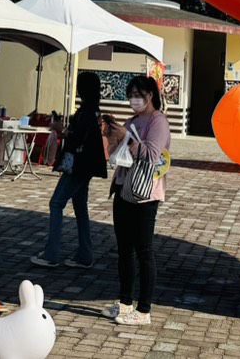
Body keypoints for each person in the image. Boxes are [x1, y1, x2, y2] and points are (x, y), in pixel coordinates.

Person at [103, 75, 171, 327]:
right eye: (130, 94)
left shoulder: (158, 121)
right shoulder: (131, 121)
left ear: (150, 95)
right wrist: (113, 136)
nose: (134, 99)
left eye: (138, 94)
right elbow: (118, 154)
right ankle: (125, 303)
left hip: (144, 194)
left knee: (144, 250)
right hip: (122, 189)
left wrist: (128, 139)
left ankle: (144, 310)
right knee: (124, 250)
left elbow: (153, 154)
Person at [32, 71, 106, 269]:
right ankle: (84, 253)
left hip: (78, 165)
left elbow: (76, 138)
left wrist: (59, 129)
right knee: (80, 207)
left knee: (56, 203)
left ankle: (52, 253)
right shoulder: (93, 111)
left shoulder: (87, 113)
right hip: (86, 166)